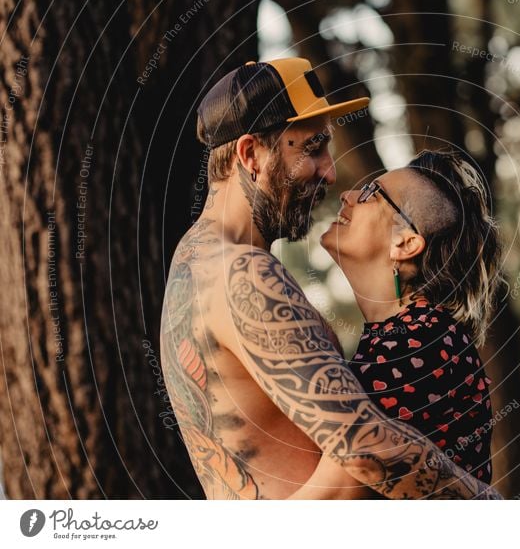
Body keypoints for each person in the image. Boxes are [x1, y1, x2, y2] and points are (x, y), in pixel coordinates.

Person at [160, 58, 501, 500]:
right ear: (250, 155)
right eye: (314, 148)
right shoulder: (245, 273)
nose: (331, 172)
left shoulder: (193, 263)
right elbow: (362, 449)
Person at [289, 150, 502, 499]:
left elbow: (333, 495)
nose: (348, 195)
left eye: (372, 193)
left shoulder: (419, 343)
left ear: (405, 243)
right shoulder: (407, 335)